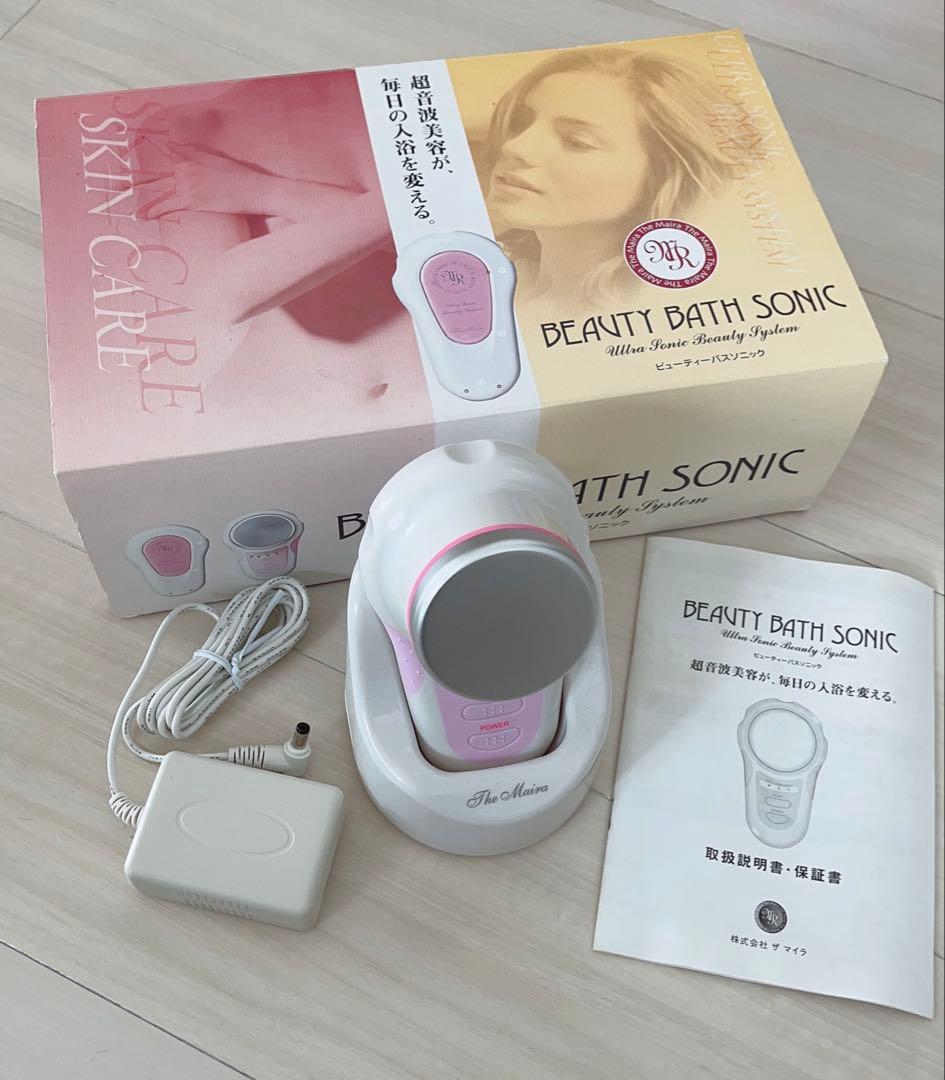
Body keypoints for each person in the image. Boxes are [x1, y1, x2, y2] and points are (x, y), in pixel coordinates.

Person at [475, 47, 738, 307]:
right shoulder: (494, 275)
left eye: (576, 141)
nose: (514, 147)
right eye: (519, 123)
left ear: (660, 176)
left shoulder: (655, 309)